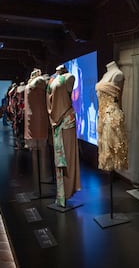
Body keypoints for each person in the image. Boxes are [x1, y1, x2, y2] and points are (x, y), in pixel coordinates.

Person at [47, 64, 81, 207]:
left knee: (69, 158)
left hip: (66, 121)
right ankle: (61, 195)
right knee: (61, 159)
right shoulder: (53, 79)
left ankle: (67, 192)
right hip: (58, 122)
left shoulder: (68, 77)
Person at [95, 61, 128, 171]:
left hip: (111, 115)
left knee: (111, 147)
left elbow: (120, 98)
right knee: (103, 147)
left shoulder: (118, 74)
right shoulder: (106, 75)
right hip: (102, 115)